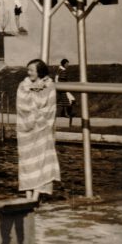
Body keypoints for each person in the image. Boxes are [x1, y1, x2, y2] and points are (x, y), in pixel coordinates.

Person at [17, 59, 61, 202]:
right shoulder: (23, 86)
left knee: (41, 162)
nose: (28, 72)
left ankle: (35, 197)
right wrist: (34, 110)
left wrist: (38, 115)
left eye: (31, 70)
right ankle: (28, 196)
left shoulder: (50, 86)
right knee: (27, 163)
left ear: (39, 72)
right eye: (28, 70)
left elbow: (50, 107)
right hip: (26, 131)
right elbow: (21, 105)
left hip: (43, 129)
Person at [54, 58, 75, 126]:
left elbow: (57, 78)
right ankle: (66, 113)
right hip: (62, 87)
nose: (67, 65)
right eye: (66, 64)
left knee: (64, 100)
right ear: (64, 64)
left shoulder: (60, 70)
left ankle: (65, 113)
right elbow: (59, 78)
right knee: (67, 100)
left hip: (62, 87)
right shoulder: (62, 70)